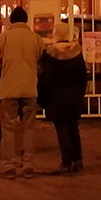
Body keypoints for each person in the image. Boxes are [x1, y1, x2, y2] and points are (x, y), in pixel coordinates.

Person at [0, 6, 43, 178]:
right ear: (26, 20)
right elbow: (41, 65)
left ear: (11, 20)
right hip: (30, 88)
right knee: (29, 128)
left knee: (8, 128)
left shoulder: (2, 39)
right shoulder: (36, 39)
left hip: (8, 90)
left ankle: (8, 166)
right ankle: (28, 165)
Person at [37, 21, 89, 175]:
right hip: (74, 96)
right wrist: (80, 94)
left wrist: (44, 98)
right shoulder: (77, 52)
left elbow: (45, 78)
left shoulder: (50, 54)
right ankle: (78, 160)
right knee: (73, 128)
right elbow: (83, 77)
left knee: (62, 130)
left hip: (57, 96)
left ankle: (67, 162)